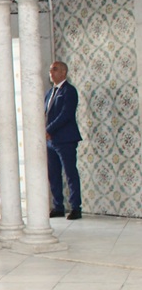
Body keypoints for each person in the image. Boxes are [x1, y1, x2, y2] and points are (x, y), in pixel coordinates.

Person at [45, 61, 83, 220]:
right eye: (50, 70)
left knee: (70, 173)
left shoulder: (69, 91)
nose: (51, 73)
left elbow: (66, 115)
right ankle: (58, 206)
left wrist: (48, 129)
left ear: (63, 73)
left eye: (54, 69)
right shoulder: (49, 93)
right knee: (53, 174)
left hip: (65, 139)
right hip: (50, 141)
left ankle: (75, 207)